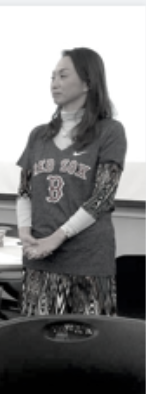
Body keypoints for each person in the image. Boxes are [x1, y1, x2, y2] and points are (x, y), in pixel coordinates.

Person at [16, 47, 127, 316]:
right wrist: (24, 231)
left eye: (63, 76)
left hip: (87, 260)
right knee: (37, 344)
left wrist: (57, 238)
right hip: (40, 257)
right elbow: (24, 190)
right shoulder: (39, 135)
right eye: (52, 76)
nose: (54, 83)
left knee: (86, 348)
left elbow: (102, 197)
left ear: (88, 82)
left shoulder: (109, 131)